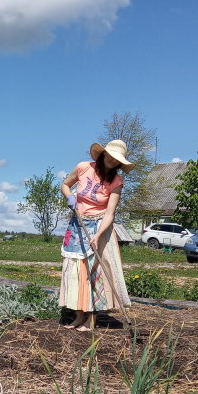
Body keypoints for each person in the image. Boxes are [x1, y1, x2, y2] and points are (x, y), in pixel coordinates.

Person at [59, 139, 133, 331]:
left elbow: (110, 214)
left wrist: (98, 235)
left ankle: (91, 320)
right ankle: (78, 316)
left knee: (95, 273)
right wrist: (70, 196)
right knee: (76, 271)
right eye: (111, 156)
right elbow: (65, 185)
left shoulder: (116, 182)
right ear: (103, 154)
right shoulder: (83, 167)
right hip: (78, 224)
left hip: (100, 227)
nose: (113, 161)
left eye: (118, 160)